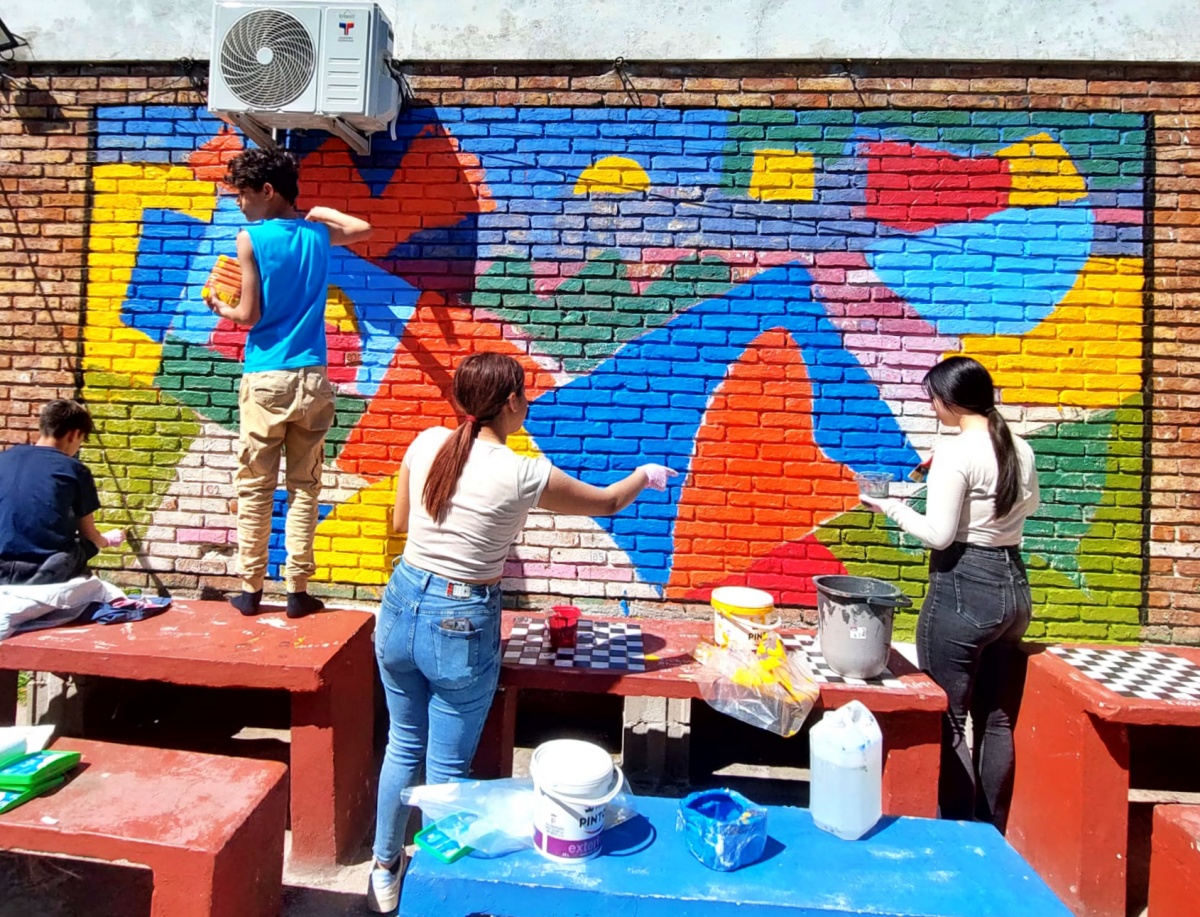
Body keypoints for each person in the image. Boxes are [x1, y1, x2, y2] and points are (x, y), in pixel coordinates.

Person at [367, 352, 676, 913]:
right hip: (459, 620)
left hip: (400, 603)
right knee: (446, 772)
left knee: (402, 745)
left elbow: (400, 523)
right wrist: (645, 475)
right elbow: (607, 501)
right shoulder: (522, 472)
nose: (528, 403)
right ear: (510, 402)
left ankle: (384, 872)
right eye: (524, 395)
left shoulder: (426, 441)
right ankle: (433, 897)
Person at [860, 356, 1040, 830]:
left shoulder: (956, 452)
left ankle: (958, 831)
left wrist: (890, 506)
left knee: (950, 716)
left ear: (948, 401)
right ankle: (992, 827)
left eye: (933, 399)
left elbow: (939, 535)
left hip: (964, 586)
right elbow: (1030, 506)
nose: (932, 407)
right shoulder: (1019, 447)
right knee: (996, 718)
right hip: (1014, 587)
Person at [205, 147, 373, 619]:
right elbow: (362, 228)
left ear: (267, 190)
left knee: (256, 485)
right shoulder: (317, 235)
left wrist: (221, 308)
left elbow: (249, 314)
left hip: (266, 375)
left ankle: (251, 589)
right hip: (313, 376)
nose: (240, 203)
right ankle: (297, 590)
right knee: (305, 486)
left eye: (243, 193)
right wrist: (318, 212)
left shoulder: (251, 239)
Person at [0, 399, 125, 585]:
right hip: (46, 571)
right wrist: (107, 540)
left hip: (2, 569)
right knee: (85, 547)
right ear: (74, 434)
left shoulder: (4, 459)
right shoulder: (74, 469)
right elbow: (89, 535)